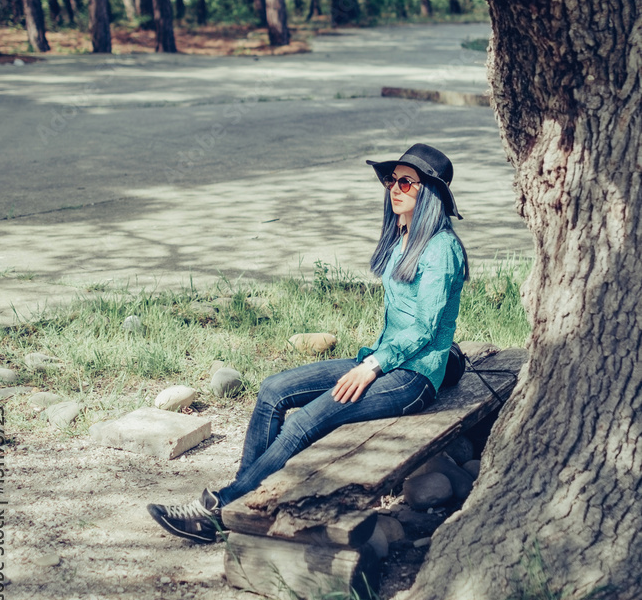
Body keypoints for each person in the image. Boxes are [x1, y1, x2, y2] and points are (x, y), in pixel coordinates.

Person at [147, 142, 468, 543]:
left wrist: (371, 368)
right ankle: (241, 499)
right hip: (384, 361)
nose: (394, 188)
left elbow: (424, 328)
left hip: (413, 377)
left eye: (407, 182)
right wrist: (372, 363)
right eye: (391, 179)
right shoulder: (403, 236)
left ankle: (216, 511)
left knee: (304, 421)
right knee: (273, 390)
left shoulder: (442, 248)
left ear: (430, 193)